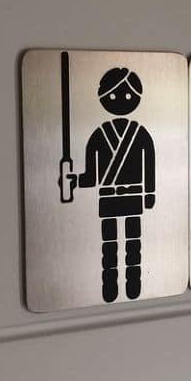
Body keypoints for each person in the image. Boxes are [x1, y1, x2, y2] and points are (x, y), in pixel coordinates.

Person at [77, 68, 155, 302]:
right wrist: (74, 180)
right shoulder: (100, 135)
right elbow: (91, 176)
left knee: (132, 243)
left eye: (127, 95)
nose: (121, 100)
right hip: (110, 196)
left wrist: (149, 193)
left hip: (131, 195)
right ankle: (110, 285)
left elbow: (149, 166)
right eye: (113, 95)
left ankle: (133, 283)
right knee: (110, 244)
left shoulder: (139, 134)